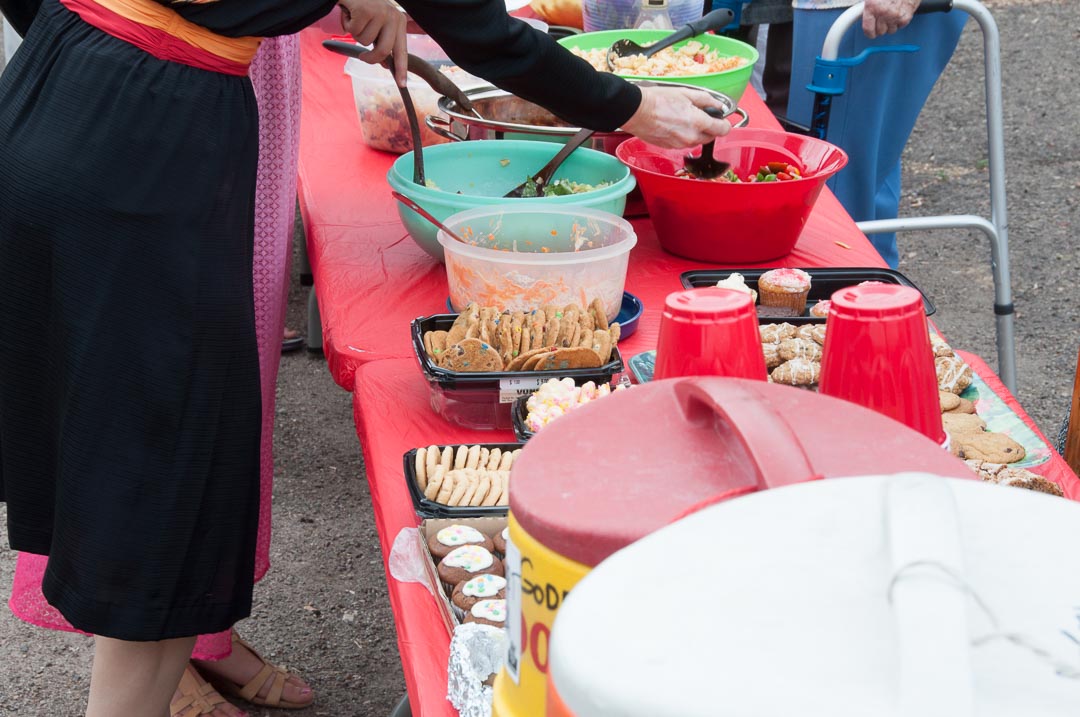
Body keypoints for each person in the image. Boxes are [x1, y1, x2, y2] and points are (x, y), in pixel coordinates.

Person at [0, 0, 731, 714]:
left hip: (53, 93)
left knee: (144, 484)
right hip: (153, 142)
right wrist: (633, 106)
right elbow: (487, 35)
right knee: (156, 501)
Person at [785, 0, 967, 268]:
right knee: (867, 176)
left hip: (857, 12)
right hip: (849, 12)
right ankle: (878, 298)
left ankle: (844, 299)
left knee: (826, 190)